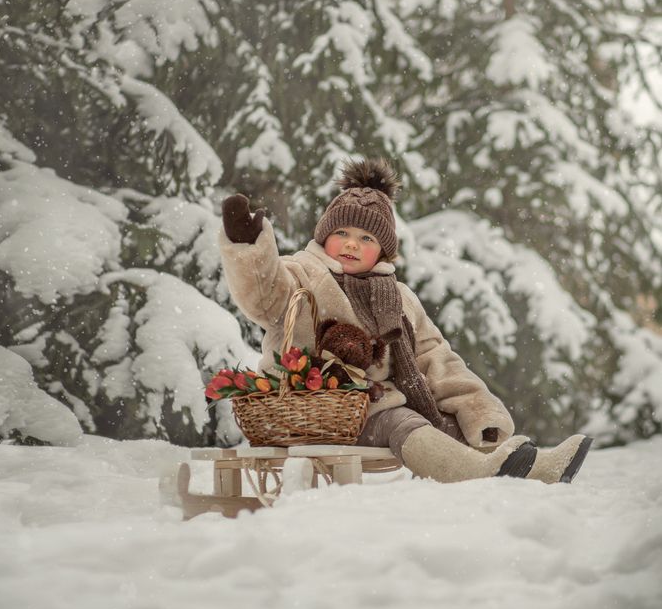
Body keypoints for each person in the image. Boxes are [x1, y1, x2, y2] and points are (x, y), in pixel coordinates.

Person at [219, 156, 592, 484]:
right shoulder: (300, 274)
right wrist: (249, 248)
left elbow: (435, 357)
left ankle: (535, 468)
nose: (351, 244)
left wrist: (479, 410)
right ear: (324, 235)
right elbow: (263, 294)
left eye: (365, 238)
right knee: (402, 421)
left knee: (443, 421)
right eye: (342, 233)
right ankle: (475, 473)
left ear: (383, 249)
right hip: (315, 405)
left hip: (375, 405)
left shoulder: (398, 297)